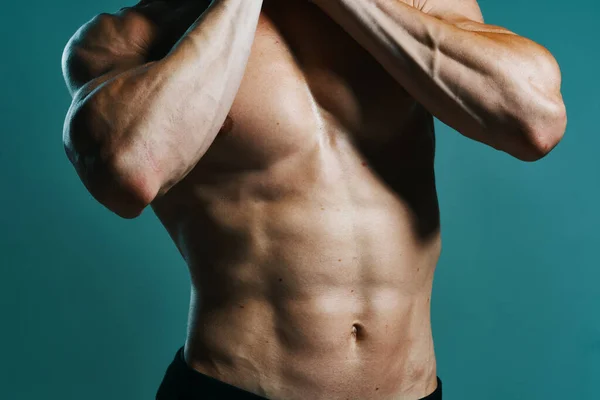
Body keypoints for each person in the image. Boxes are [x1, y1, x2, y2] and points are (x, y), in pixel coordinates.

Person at [60, 0, 566, 398]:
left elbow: (535, 118)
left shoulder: (419, 4)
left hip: (410, 391)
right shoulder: (130, 36)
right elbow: (129, 171)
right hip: (236, 389)